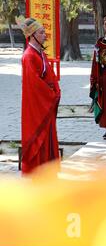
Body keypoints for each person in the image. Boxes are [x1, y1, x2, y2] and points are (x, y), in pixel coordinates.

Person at [17, 17, 60, 175]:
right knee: (38, 135)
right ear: (32, 35)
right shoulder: (29, 56)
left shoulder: (39, 53)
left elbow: (50, 75)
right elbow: (34, 84)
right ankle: (37, 169)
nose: (45, 35)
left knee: (48, 134)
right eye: (41, 32)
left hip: (46, 102)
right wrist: (51, 94)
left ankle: (47, 167)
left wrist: (56, 89)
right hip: (39, 103)